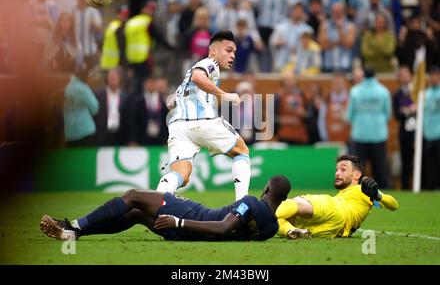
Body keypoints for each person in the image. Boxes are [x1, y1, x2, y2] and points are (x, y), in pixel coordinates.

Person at [39, 175, 291, 242]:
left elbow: (225, 227)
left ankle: (73, 226)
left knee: (133, 196)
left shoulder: (252, 202)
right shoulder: (271, 228)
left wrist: (177, 222)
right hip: (191, 236)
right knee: (137, 214)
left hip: (190, 218)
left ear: (266, 191)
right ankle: (76, 234)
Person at [159, 31, 250, 201]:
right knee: (242, 151)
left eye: (234, 52)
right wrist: (224, 95)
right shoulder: (210, 63)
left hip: (178, 127)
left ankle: (157, 206)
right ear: (213, 51)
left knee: (181, 175)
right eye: (229, 50)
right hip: (202, 122)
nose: (233, 55)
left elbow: (171, 102)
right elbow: (198, 76)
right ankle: (242, 205)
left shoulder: (188, 73)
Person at [276, 155, 399, 239]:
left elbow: (394, 205)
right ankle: (291, 231)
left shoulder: (364, 190)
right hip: (330, 231)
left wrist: (377, 194)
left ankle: (265, 210)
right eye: (336, 170)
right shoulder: (344, 196)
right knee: (279, 221)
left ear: (357, 175)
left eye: (343, 169)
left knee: (297, 203)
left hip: (338, 211)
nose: (337, 173)